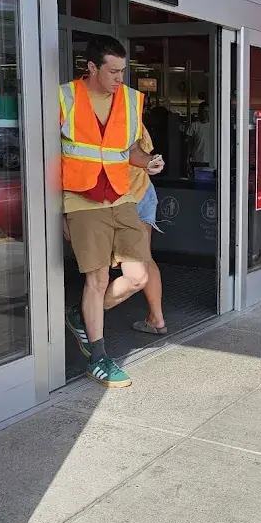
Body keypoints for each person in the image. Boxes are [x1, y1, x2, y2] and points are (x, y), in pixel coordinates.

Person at [60, 35, 164, 388]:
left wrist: (148, 161)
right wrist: (59, 212)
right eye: (113, 71)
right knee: (98, 278)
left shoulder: (132, 100)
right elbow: (47, 155)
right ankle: (99, 356)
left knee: (138, 276)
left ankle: (81, 316)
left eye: (123, 71)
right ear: (91, 67)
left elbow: (129, 150)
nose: (120, 78)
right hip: (82, 199)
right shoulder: (64, 98)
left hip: (121, 196)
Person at [128, 123, 167, 336]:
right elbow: (146, 155)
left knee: (100, 268)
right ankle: (156, 318)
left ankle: (85, 315)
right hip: (143, 191)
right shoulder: (136, 121)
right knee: (145, 258)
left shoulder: (112, 118)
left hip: (124, 196)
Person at [187, 102, 214, 167]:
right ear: (200, 112)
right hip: (196, 160)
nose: (206, 113)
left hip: (211, 160)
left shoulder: (214, 126)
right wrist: (188, 158)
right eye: (204, 111)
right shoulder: (194, 126)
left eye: (208, 111)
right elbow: (189, 143)